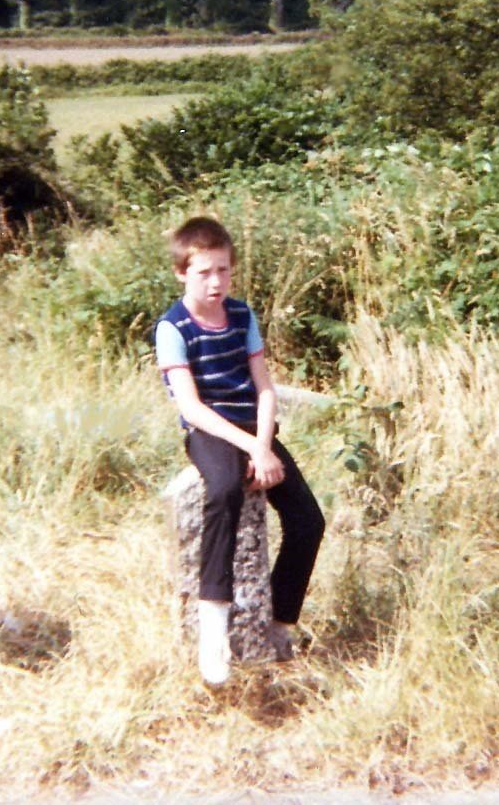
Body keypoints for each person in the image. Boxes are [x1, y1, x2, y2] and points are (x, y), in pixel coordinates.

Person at [155, 216, 325, 685]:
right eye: (204, 272)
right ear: (181, 273)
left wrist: (265, 446)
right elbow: (190, 406)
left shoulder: (243, 316)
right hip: (210, 429)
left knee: (308, 519)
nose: (215, 282)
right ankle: (214, 627)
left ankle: (277, 624)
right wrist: (251, 447)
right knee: (226, 488)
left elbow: (265, 389)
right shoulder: (172, 327)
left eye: (223, 271)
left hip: (255, 427)